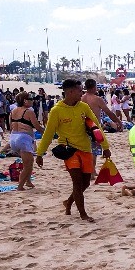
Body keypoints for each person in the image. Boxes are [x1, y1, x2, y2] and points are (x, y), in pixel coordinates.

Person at [35, 79, 111, 222]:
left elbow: (96, 127)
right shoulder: (56, 110)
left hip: (85, 148)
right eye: (79, 91)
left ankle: (69, 202)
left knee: (85, 183)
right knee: (77, 182)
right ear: (70, 92)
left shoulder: (83, 107)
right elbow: (48, 133)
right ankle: (83, 214)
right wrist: (40, 153)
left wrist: (105, 147)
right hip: (69, 150)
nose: (82, 93)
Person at [8, 93, 43, 190]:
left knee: (28, 161)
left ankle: (28, 181)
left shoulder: (13, 111)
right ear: (24, 101)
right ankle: (20, 186)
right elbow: (37, 127)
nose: (32, 100)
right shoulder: (29, 112)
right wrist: (47, 133)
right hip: (24, 138)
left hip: (13, 137)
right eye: (30, 99)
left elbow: (10, 126)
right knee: (28, 165)